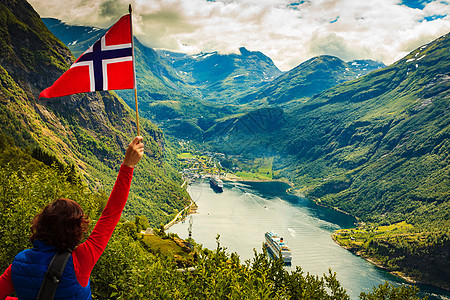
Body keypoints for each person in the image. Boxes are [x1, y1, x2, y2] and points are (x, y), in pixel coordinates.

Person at [0, 136, 144, 299]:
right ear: (76, 230)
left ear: (41, 224)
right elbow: (110, 214)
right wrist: (128, 165)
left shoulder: (19, 263)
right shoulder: (81, 259)